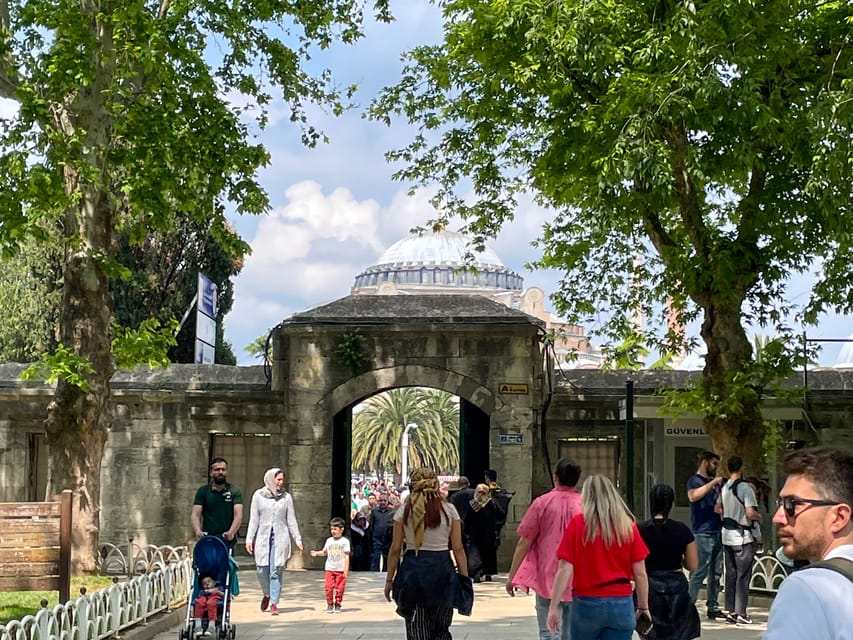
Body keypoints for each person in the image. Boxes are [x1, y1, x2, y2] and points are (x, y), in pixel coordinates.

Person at [547, 474, 650, 640]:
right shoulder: (628, 526)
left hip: (586, 603)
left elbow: (565, 568)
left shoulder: (578, 524)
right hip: (621, 603)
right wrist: (643, 606)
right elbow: (640, 573)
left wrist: (553, 607)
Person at [765, 447, 853, 640]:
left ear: (839, 517)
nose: (778, 517)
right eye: (779, 503)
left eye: (792, 505)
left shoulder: (808, 588)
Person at [384, 466, 469, 640]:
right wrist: (464, 578)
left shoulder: (404, 511)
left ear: (412, 486)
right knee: (441, 627)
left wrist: (389, 580)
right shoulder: (449, 510)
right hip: (443, 571)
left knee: (418, 628)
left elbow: (395, 548)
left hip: (413, 572)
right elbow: (458, 548)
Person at [505, 457, 583, 640]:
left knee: (548, 633)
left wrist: (512, 576)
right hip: (578, 578)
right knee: (573, 634)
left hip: (547, 576)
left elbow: (524, 542)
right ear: (578, 478)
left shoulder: (542, 503)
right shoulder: (585, 505)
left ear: (555, 477)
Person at [637, 484, 700, 640]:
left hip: (649, 585)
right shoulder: (682, 529)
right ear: (671, 503)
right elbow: (692, 565)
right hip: (676, 586)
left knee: (650, 633)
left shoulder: (639, 530)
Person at [245, 467, 303, 615]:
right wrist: (249, 538)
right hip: (263, 538)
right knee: (261, 570)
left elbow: (291, 520)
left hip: (279, 538)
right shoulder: (258, 496)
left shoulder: (286, 497)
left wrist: (297, 538)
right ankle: (267, 593)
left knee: (275, 571)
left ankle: (274, 603)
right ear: (271, 479)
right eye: (278, 479)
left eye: (282, 480)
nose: (280, 482)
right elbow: (254, 519)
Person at [719, 456, 761, 624]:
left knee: (731, 574)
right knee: (743, 575)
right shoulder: (746, 488)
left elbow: (718, 508)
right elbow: (750, 513)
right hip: (743, 537)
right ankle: (741, 612)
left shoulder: (725, 487)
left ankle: (731, 611)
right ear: (742, 468)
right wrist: (760, 517)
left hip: (727, 536)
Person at [686, 450, 725, 619]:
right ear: (705, 462)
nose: (716, 468)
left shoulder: (715, 484)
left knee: (716, 572)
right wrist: (713, 483)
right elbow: (693, 496)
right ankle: (688, 605)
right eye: (714, 464)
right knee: (699, 571)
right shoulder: (694, 481)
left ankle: (713, 605)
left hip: (717, 529)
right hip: (702, 532)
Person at [191, 457, 243, 546]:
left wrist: (231, 532)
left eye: (223, 469)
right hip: (208, 537)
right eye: (217, 469)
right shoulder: (203, 491)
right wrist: (198, 531)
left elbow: (238, 515)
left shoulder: (234, 491)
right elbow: (195, 514)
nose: (220, 472)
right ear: (211, 473)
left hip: (226, 538)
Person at [310, 517, 351, 613]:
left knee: (340, 589)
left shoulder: (345, 542)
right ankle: (329, 603)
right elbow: (325, 552)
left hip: (340, 569)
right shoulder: (329, 541)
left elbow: (346, 556)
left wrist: (346, 570)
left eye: (335, 529)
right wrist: (316, 553)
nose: (333, 531)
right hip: (330, 568)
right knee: (328, 587)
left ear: (341, 529)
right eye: (331, 529)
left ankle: (338, 604)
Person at [464, 483, 499, 582]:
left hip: (475, 533)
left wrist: (466, 530)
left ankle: (476, 572)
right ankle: (487, 572)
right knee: (487, 553)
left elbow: (468, 519)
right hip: (487, 533)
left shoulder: (472, 504)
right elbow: (493, 519)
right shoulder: (490, 503)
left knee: (475, 553)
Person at [369, 492, 394, 571]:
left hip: (388, 539)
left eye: (384, 500)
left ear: (387, 501)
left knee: (387, 557)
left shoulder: (391, 511)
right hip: (377, 538)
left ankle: (386, 572)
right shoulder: (374, 511)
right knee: (376, 557)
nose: (383, 502)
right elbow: (371, 524)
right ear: (378, 501)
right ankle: (374, 573)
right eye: (381, 500)